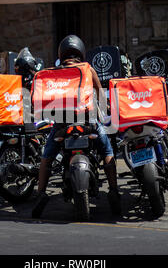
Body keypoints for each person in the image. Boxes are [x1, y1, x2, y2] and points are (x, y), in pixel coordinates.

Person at [31, 35, 121, 219]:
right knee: (107, 151)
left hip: (62, 124)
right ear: (81, 51)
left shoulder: (54, 72)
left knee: (47, 156)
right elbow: (99, 93)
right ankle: (113, 191)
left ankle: (41, 193)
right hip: (88, 122)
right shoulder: (88, 69)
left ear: (61, 53)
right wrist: (106, 108)